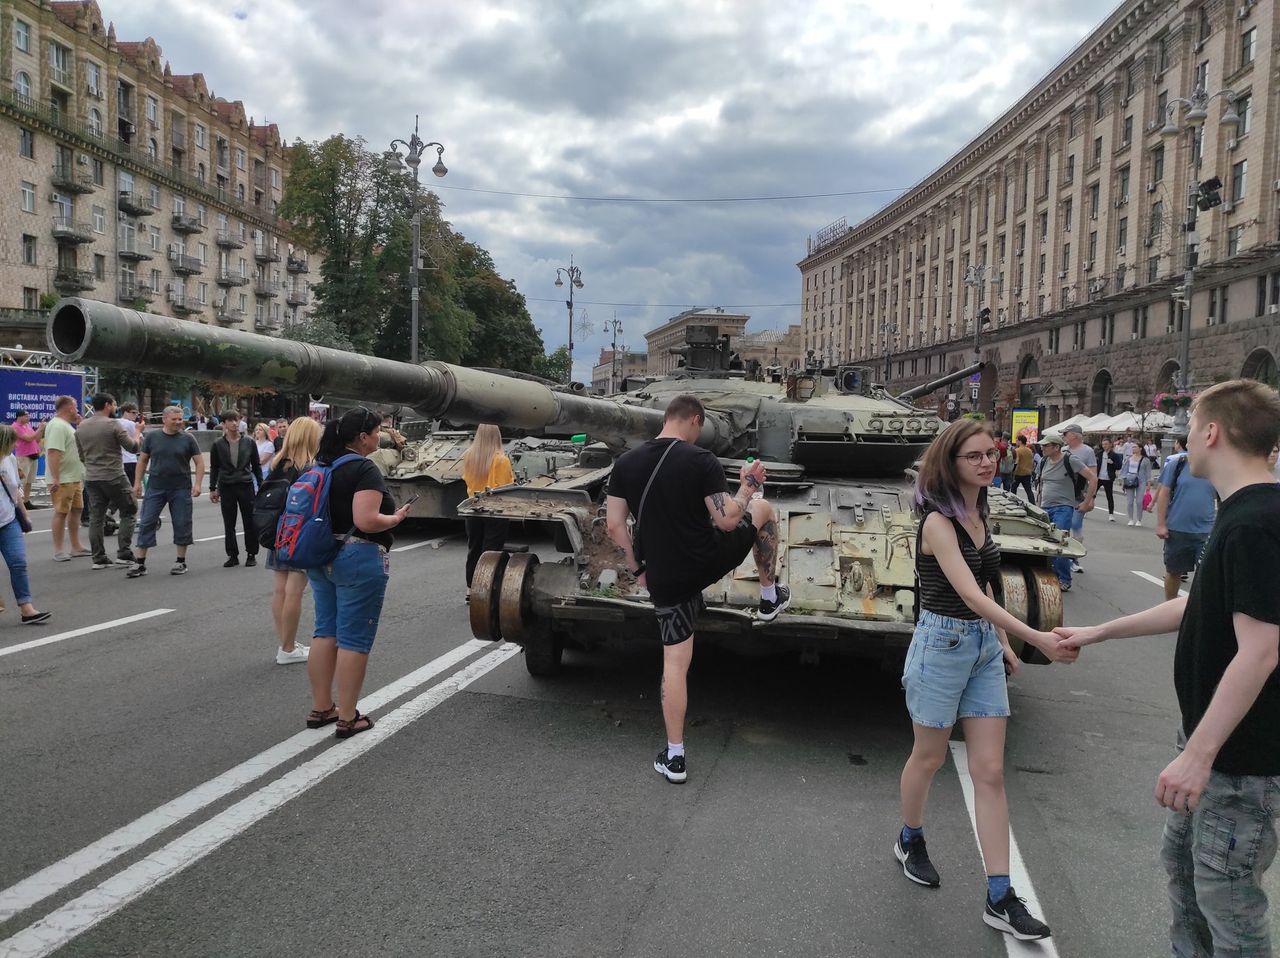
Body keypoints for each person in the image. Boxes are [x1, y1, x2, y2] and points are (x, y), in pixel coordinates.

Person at [1057, 379, 1280, 958]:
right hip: (1214, 749)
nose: (1184, 437)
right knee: (1187, 882)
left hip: (1237, 759)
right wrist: (1100, 630)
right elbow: (1195, 604)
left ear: (1212, 432)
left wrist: (1197, 756)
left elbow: (1260, 651)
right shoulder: (1239, 514)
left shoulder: (1257, 522)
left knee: (1228, 906)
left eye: (1191, 425)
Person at [895, 419, 1075, 942]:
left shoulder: (981, 510)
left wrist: (997, 642)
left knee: (991, 771)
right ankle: (910, 837)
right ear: (949, 464)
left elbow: (986, 588)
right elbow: (966, 596)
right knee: (927, 758)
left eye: (990, 453)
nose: (986, 462)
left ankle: (1000, 895)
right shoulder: (937, 522)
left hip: (978, 648)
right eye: (972, 456)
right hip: (940, 646)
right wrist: (1035, 638)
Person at [606, 394, 791, 785]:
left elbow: (614, 527)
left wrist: (636, 568)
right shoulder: (700, 460)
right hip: (706, 561)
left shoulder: (626, 464)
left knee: (675, 664)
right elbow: (727, 520)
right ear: (694, 420)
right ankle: (769, 595)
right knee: (763, 509)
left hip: (664, 577)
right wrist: (747, 487)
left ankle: (675, 756)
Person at [305, 408, 411, 738]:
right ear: (363, 437)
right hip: (357, 556)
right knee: (354, 638)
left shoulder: (322, 465)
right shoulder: (363, 468)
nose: (381, 436)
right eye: (378, 431)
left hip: (320, 554)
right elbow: (366, 520)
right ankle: (348, 717)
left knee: (325, 631)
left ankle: (322, 707)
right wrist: (395, 519)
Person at [265, 416, 322, 665]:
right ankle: (287, 649)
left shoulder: (279, 463)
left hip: (278, 531)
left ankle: (284, 643)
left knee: (280, 589)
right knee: (295, 591)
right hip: (299, 534)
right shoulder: (311, 467)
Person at [128, 405, 204, 578]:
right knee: (147, 521)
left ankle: (180, 561)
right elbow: (142, 461)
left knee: (182, 522)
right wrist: (137, 483)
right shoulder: (152, 437)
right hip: (156, 486)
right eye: (174, 419)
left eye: (180, 419)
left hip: (181, 487)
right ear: (164, 419)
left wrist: (198, 484)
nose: (178, 422)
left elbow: (199, 462)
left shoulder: (188, 438)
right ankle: (140, 563)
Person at [76, 393, 139, 570]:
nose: (115, 407)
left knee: (96, 517)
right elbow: (132, 447)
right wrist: (138, 434)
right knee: (129, 510)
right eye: (114, 404)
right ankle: (124, 553)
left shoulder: (82, 426)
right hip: (114, 475)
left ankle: (99, 557)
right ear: (107, 405)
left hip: (92, 477)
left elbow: (81, 455)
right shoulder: (113, 424)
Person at [0, 425, 51, 624]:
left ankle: (27, 608)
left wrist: (23, 513)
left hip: (8, 519)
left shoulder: (10, 459)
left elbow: (15, 490)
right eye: (11, 441)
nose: (15, 445)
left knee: (18, 562)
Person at [1034, 432, 1097, 592]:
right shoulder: (1043, 461)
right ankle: (1050, 575)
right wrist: (1037, 506)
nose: (1042, 448)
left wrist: (1087, 501)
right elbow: (1040, 485)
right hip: (1045, 508)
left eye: (1046, 445)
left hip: (1063, 508)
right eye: (1042, 445)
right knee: (1045, 544)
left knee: (1059, 543)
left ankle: (1064, 578)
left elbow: (1093, 479)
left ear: (1056, 447)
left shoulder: (1070, 460)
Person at [1155, 436, 1216, 600]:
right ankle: (1169, 606)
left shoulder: (1216, 466)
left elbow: (1224, 497)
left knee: (1207, 574)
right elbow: (1164, 493)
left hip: (1206, 530)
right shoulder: (1178, 464)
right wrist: (1161, 524)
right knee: (1174, 571)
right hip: (1177, 528)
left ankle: (1200, 612)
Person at [460, 424, 514, 595]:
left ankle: (471, 588)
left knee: (474, 548)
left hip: (474, 507)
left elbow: (468, 481)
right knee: (491, 550)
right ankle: (487, 588)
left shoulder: (469, 456)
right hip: (495, 509)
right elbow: (505, 487)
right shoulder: (501, 460)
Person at [209, 410, 260, 569]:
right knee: (229, 522)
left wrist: (262, 485)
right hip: (227, 485)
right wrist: (212, 488)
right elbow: (214, 467)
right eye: (230, 421)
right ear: (223, 424)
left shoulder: (249, 442)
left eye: (237, 420)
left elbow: (256, 466)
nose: (234, 424)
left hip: (245, 484)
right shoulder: (218, 444)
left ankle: (251, 553)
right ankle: (232, 555)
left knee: (249, 521)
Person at [43, 395, 88, 562]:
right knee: (61, 512)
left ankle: (76, 546)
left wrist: (80, 425)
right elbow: (53, 452)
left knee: (77, 510)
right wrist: (56, 478)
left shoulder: (67, 426)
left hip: (74, 477)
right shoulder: (57, 426)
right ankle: (59, 550)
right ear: (69, 408)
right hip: (63, 479)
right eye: (75, 407)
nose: (77, 410)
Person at [1061, 423, 1097, 573]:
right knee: (1063, 527)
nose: (1063, 437)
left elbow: (1093, 475)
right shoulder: (1063, 451)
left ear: (1074, 435)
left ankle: (1074, 558)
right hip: (1062, 494)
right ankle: (1064, 558)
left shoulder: (1087, 451)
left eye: (1065, 434)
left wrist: (1090, 498)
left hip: (1078, 494)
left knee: (1076, 524)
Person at [12, 410, 42, 508]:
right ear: (19, 417)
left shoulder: (27, 426)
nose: (28, 418)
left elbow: (36, 438)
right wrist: (39, 429)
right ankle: (18, 502)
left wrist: (41, 430)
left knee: (29, 481)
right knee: (22, 481)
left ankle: (26, 501)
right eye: (26, 416)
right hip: (23, 457)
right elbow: (28, 438)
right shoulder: (15, 427)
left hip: (33, 455)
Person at [1119, 442, 1152, 527]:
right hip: (1129, 480)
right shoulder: (1128, 458)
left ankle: (1139, 519)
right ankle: (1130, 519)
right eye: (1132, 447)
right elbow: (1124, 470)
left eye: (1135, 447)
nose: (1133, 448)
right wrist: (1123, 480)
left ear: (1140, 448)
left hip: (1141, 481)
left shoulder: (1145, 460)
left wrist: (1148, 484)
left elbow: (1148, 472)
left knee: (1139, 501)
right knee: (1129, 501)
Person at [1095, 438, 1122, 522]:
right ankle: (1086, 510)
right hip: (1098, 477)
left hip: (1108, 478)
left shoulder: (1114, 455)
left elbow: (1119, 466)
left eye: (1106, 444)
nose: (1104, 446)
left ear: (1110, 444)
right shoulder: (1099, 454)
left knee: (1109, 496)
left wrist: (1112, 463)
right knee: (1092, 494)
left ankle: (1111, 514)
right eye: (1103, 444)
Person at [118, 403, 141, 486]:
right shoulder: (131, 424)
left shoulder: (114, 422)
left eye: (137, 413)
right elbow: (139, 441)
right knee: (130, 488)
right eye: (133, 413)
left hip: (118, 461)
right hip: (130, 460)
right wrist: (139, 429)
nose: (136, 415)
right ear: (125, 412)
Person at [1009, 435, 1035, 502]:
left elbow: (1016, 462)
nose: (1016, 442)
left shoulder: (1017, 450)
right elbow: (1032, 461)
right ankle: (1033, 503)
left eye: (1017, 440)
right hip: (1027, 473)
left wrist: (1013, 471)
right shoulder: (1029, 450)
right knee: (1029, 490)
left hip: (1018, 473)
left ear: (1020, 441)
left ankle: (1013, 502)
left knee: (1013, 489)